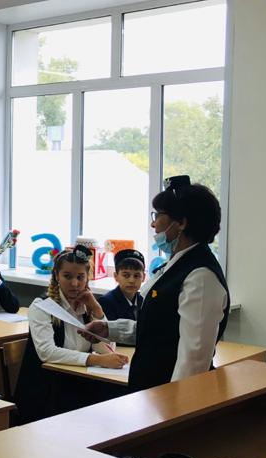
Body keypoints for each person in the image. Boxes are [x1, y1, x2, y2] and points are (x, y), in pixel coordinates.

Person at [87, 177, 230, 391]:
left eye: (158, 215)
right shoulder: (176, 264)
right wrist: (109, 329)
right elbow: (160, 329)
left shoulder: (201, 276)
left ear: (181, 223)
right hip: (150, 389)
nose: (153, 224)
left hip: (170, 395)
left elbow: (193, 358)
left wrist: (176, 406)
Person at [15, 246, 129, 424]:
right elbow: (47, 352)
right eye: (67, 276)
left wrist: (97, 310)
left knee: (119, 399)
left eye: (80, 277)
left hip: (77, 381)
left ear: (87, 277)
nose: (75, 283)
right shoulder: (42, 306)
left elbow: (107, 350)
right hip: (46, 388)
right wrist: (96, 360)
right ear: (57, 276)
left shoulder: (87, 306)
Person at [98, 249, 146, 321]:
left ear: (143, 277)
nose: (131, 280)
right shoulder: (106, 302)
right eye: (126, 275)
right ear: (116, 276)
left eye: (136, 276)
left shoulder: (144, 300)